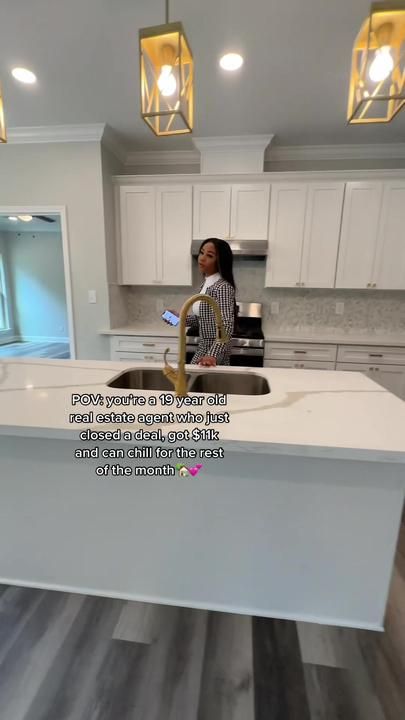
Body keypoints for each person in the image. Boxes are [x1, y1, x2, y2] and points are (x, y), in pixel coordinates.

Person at [164, 238, 236, 367]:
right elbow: (202, 320)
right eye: (202, 253)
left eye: (209, 255)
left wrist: (212, 355)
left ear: (220, 261)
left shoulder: (222, 287)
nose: (202, 258)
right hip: (204, 348)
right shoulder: (206, 284)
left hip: (214, 352)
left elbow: (226, 326)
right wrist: (178, 319)